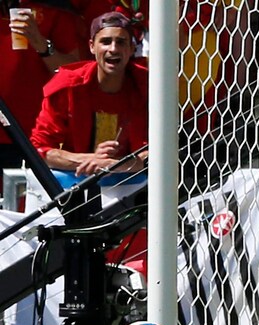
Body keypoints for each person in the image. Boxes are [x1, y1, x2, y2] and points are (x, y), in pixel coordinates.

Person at [30, 11, 148, 176]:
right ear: (92, 46)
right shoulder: (68, 86)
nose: (113, 49)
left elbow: (162, 149)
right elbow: (39, 150)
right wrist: (91, 160)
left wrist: (116, 165)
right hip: (74, 182)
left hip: (134, 184)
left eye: (121, 42)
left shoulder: (148, 86)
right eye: (105, 42)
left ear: (131, 49)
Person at [0, 0, 81, 186]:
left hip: (27, 135)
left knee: (23, 200)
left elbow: (74, 73)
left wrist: (41, 44)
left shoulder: (52, 10)